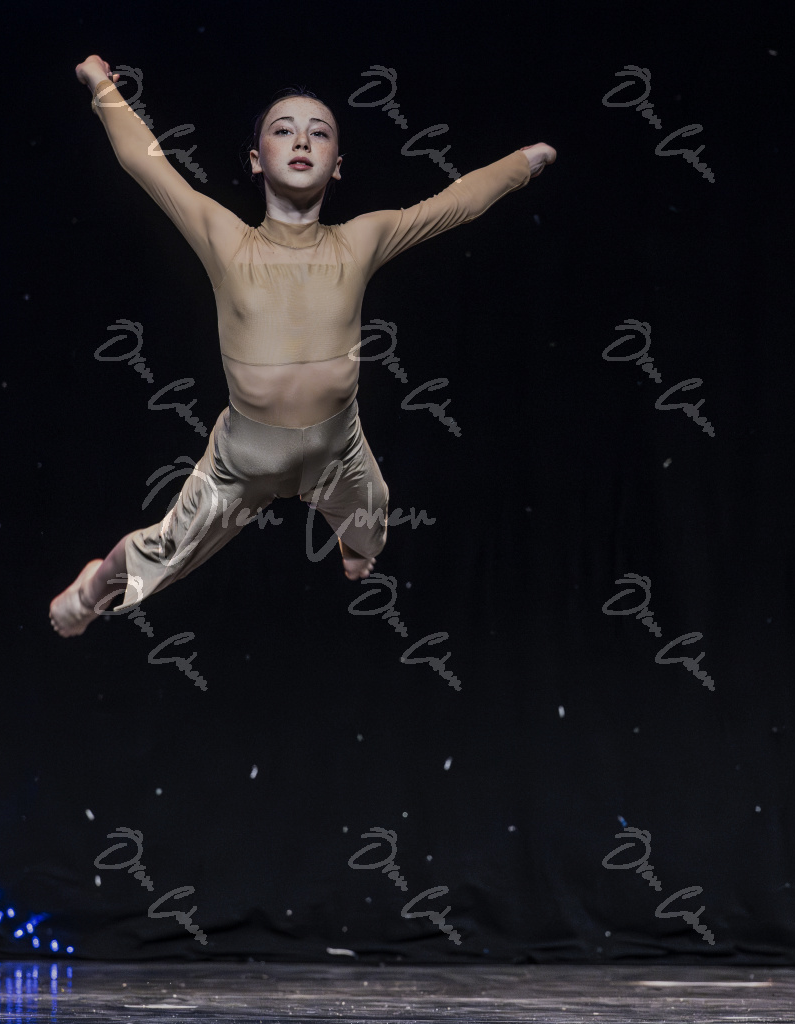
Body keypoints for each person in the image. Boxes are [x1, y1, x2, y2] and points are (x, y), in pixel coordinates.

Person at [50, 54, 556, 637]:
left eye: (319, 134)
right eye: (283, 130)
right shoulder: (226, 239)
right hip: (243, 462)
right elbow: (148, 163)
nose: (301, 141)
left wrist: (524, 162)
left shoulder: (360, 240)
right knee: (162, 554)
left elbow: (453, 205)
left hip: (338, 449)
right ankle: (90, 591)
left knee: (372, 524)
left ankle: (353, 549)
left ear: (337, 166)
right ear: (255, 159)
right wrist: (100, 82)